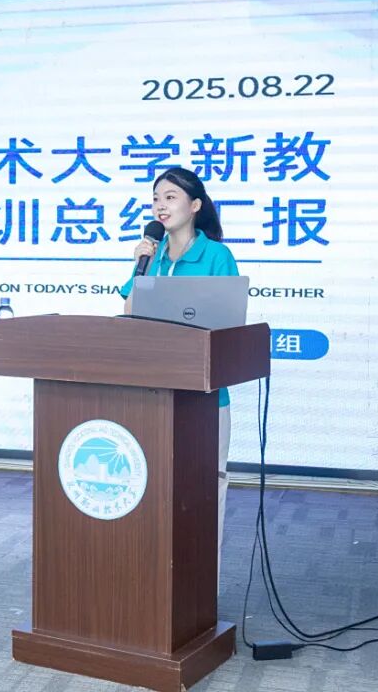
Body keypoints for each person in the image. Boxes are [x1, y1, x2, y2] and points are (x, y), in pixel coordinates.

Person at [119, 166, 239, 583]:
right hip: (153, 393)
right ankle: (154, 582)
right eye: (156, 198)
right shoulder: (149, 258)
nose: (160, 205)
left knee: (204, 488)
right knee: (154, 487)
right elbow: (128, 314)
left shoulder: (216, 256)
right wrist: (139, 266)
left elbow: (228, 324)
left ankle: (203, 586)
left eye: (170, 197)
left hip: (204, 397)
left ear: (195, 205)